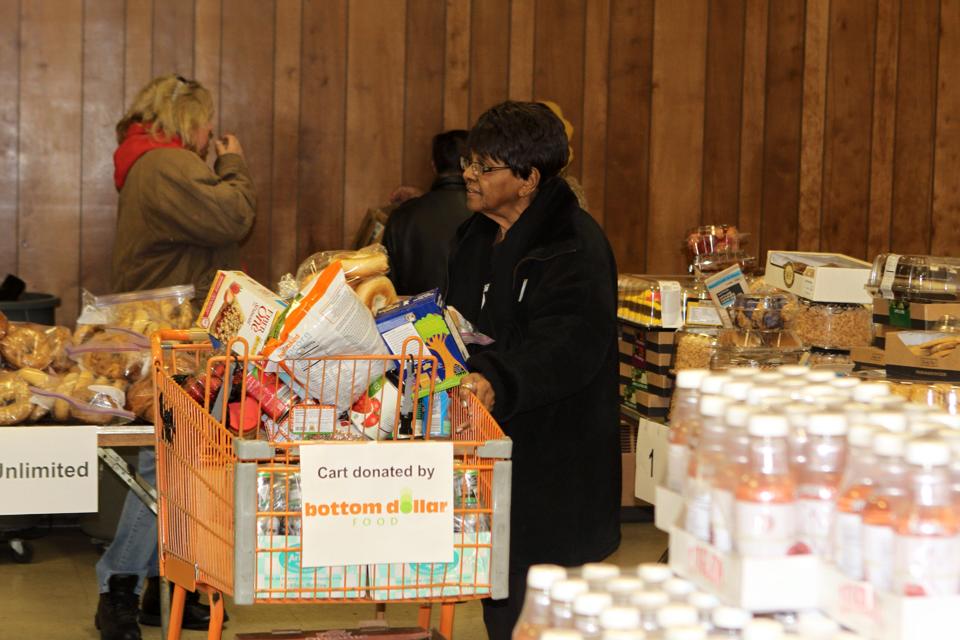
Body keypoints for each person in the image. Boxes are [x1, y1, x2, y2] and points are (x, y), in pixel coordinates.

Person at [444, 101, 621, 638]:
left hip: (555, 465)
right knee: (498, 602)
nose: (469, 175)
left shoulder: (574, 246)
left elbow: (568, 347)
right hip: (491, 453)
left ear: (528, 180)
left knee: (538, 616)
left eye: (485, 167)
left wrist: (499, 380)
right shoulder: (473, 235)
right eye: (469, 163)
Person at [96, 74, 256, 640]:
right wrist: (233, 166)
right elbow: (234, 216)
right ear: (189, 120)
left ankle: (160, 590)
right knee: (166, 468)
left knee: (174, 464)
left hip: (157, 331)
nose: (213, 134)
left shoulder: (146, 163)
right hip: (169, 336)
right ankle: (117, 586)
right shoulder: (168, 166)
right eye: (207, 122)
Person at [382, 130, 472, 296]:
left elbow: (387, 288)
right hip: (473, 320)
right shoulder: (491, 213)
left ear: (433, 166)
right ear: (472, 166)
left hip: (419, 319)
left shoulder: (401, 217)